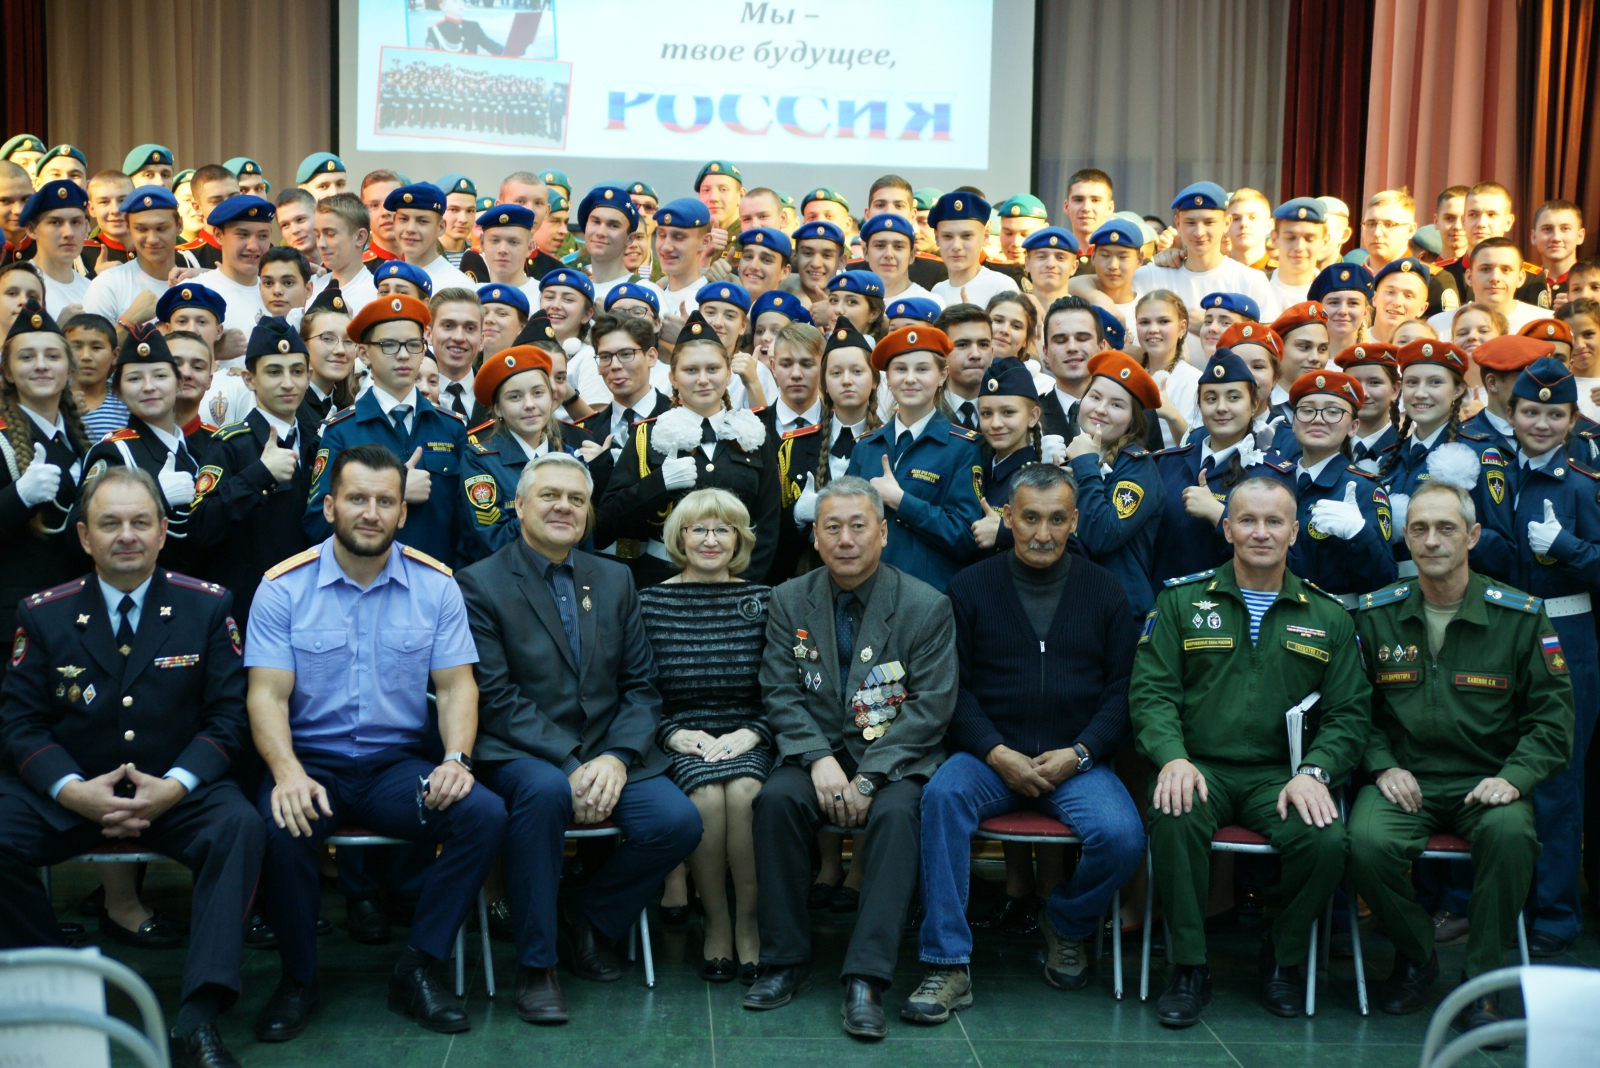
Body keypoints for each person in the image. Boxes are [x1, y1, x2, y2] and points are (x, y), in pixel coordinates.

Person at [0, 464, 263, 1068]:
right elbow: (20, 726)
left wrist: (175, 786)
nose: (127, 535)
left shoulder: (207, 606)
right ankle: (67, 989)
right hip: (74, 792)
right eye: (110, 523)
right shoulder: (43, 614)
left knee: (240, 828)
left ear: (163, 532)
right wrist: (71, 791)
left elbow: (228, 718)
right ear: (84, 536)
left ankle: (199, 1018)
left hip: (175, 791)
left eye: (141, 522)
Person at [246, 443, 503, 1042]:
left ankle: (418, 968)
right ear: (329, 506)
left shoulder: (436, 585)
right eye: (357, 499)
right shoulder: (283, 587)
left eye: (386, 501)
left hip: (395, 768)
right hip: (312, 765)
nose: (371, 512)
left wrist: (456, 760)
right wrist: (287, 773)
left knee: (483, 814)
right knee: (278, 826)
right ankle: (298, 978)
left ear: (402, 513)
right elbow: (266, 696)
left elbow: (457, 686)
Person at [455, 452, 701, 1025]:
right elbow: (496, 697)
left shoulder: (614, 578)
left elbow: (641, 685)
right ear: (518, 505)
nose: (563, 507)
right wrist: (570, 764)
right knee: (544, 796)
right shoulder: (479, 583)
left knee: (677, 823)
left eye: (576, 499)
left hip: (609, 750)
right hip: (524, 753)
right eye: (550, 496)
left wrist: (616, 757)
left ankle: (587, 917)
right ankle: (537, 966)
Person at [905, 462, 1143, 1021]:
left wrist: (1081, 753)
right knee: (940, 798)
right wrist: (995, 752)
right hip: (988, 758)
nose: (1042, 533)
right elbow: (951, 688)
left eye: (1057, 519)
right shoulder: (969, 587)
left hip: (1076, 760)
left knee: (1123, 836)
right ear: (1007, 516)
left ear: (1075, 521)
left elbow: (1123, 691)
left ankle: (1065, 922)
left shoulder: (1104, 590)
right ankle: (947, 962)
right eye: (1030, 518)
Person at [1131, 475, 1370, 1025]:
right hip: (1198, 766)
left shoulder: (1329, 616)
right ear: (1228, 529)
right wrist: (1172, 757)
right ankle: (1188, 966)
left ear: (1294, 532)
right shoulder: (1181, 601)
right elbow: (1152, 693)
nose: (1260, 532)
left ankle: (1283, 957)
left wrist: (1316, 771)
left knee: (1325, 840)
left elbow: (1349, 713)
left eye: (1274, 522)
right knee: (1174, 814)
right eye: (1247, 520)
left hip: (1284, 776)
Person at [1348, 480, 1573, 1033]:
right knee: (1363, 843)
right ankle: (1417, 956)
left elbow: (1552, 720)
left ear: (1471, 536)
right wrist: (1382, 765)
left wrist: (1514, 777)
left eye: (1446, 528)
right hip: (1406, 781)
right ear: (1406, 538)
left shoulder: (1520, 617)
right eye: (1420, 529)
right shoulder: (1377, 615)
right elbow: (1354, 711)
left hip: (1488, 782)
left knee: (1511, 837)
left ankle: (1483, 982)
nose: (1432, 541)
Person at [743, 476, 957, 1041]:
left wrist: (869, 778)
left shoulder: (926, 605)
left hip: (896, 758)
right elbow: (779, 691)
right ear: (815, 537)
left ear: (883, 533)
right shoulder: (790, 598)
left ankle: (866, 976)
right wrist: (817, 758)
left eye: (858, 526)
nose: (845, 539)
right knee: (775, 802)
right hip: (815, 752)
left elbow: (931, 707)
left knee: (899, 815)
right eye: (832, 527)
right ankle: (784, 960)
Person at [637, 488, 773, 983]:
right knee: (705, 797)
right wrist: (672, 734)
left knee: (745, 791)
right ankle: (716, 922)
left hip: (749, 734)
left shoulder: (766, 600)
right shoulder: (648, 603)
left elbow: (783, 687)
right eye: (698, 529)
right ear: (680, 537)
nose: (710, 540)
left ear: (739, 539)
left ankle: (748, 923)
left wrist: (755, 732)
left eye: (723, 529)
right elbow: (637, 689)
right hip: (679, 737)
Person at [1496, 356, 1599, 957]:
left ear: (1571, 421)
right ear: (1510, 414)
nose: (1541, 423)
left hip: (1566, 637)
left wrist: (1569, 548)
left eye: (1554, 414)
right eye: (1530, 412)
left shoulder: (1583, 484)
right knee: (1505, 771)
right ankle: (1508, 904)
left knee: (1559, 779)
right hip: (1502, 636)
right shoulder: (1494, 477)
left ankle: (1556, 916)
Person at [596, 309, 780, 584]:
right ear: (673, 377)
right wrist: (659, 484)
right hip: (663, 580)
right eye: (691, 370)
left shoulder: (753, 435)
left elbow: (768, 524)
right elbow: (606, 524)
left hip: (739, 582)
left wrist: (744, 583)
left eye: (713, 369)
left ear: (728, 373)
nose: (703, 380)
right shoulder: (647, 435)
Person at [303, 294, 474, 568]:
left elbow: (468, 527)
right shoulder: (340, 431)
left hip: (436, 582)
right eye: (389, 345)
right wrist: (393, 492)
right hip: (364, 581)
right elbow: (317, 523)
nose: (404, 355)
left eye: (413, 345)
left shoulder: (451, 427)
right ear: (363, 353)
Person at [187, 317, 319, 629]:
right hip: (247, 609)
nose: (287, 383)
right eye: (273, 372)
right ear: (249, 379)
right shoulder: (230, 444)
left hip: (310, 607)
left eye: (296, 371)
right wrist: (259, 474)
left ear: (309, 376)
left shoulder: (320, 442)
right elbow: (201, 527)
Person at [845, 325, 983, 591]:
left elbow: (966, 537)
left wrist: (901, 502)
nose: (910, 379)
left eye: (922, 369)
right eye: (900, 369)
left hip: (929, 598)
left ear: (942, 375)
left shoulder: (962, 447)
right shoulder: (866, 447)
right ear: (887, 378)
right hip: (867, 593)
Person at [0, 300, 93, 665]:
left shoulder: (82, 443)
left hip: (79, 617)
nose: (41, 365)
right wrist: (19, 497)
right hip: (14, 627)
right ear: (8, 372)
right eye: (27, 357)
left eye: (53, 356)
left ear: (69, 369)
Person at [1150, 350, 1293, 583]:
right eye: (1211, 399)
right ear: (1199, 405)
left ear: (1254, 404)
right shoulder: (1166, 464)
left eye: (1234, 397)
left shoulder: (1273, 474)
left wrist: (1219, 514)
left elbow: (1286, 557)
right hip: (1167, 600)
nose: (1221, 407)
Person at [77, 326, 204, 570]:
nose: (148, 387)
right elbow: (77, 536)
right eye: (134, 378)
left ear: (179, 384)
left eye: (160, 376)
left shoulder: (201, 449)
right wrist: (157, 496)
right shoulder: (114, 452)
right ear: (119, 392)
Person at [1063, 352, 1167, 616]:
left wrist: (1085, 465)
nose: (1100, 409)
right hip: (1072, 604)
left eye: (1117, 405)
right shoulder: (1070, 456)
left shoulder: (1138, 466)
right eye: (1095, 397)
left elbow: (1103, 535)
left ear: (1133, 419)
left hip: (1120, 612)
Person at [1280, 370, 1398, 599]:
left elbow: (1384, 582)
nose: (1318, 419)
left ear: (1353, 427)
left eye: (1333, 412)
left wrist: (1359, 534)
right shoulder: (1275, 479)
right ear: (1293, 422)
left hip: (1334, 614)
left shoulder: (1363, 489)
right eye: (1307, 410)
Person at [459, 343, 578, 554]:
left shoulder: (568, 458)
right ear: (498, 409)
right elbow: (494, 537)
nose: (529, 404)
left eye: (538, 393)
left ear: (551, 397)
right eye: (515, 396)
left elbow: (582, 538)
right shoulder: (480, 461)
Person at [1134, 183, 1281, 331]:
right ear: (1178, 224)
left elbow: (1268, 341)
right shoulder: (1150, 276)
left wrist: (1204, 328)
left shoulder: (1251, 281)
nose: (1199, 232)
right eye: (1190, 223)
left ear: (1226, 223)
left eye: (1209, 222)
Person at [81, 186, 184, 332]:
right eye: (141, 229)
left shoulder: (196, 282)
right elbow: (90, 344)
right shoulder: (108, 285)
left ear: (179, 226)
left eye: (161, 229)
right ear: (128, 227)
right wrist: (129, 321)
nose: (152, 239)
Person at [968, 356, 1041, 556]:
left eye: (1008, 412)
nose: (996, 423)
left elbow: (1067, 541)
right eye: (986, 413)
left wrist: (1003, 532)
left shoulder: (1040, 479)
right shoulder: (980, 468)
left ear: (1033, 416)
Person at [385, 183, 475, 292]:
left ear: (441, 227)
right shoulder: (388, 278)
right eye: (404, 219)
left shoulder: (458, 285)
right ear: (394, 221)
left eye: (422, 221)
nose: (410, 229)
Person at [928, 192, 1012, 309]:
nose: (956, 246)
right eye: (947, 236)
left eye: (966, 236)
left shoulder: (1001, 287)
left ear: (985, 235)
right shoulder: (937, 291)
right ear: (937, 238)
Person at [20, 180, 91, 316]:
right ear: (32, 230)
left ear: (86, 227)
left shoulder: (92, 289)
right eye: (55, 222)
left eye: (76, 222)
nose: (68, 233)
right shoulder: (18, 287)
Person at [1334, 341, 1403, 472]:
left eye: (1375, 383)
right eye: (1354, 384)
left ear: (1395, 390)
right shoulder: (1327, 448)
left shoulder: (1405, 453)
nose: (1364, 393)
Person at [297, 286, 358, 423]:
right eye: (327, 339)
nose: (340, 350)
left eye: (348, 341)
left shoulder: (350, 409)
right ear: (303, 345)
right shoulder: (291, 407)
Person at [311, 194, 378, 315]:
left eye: (330, 234)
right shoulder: (311, 286)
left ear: (360, 237)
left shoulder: (375, 295)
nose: (321, 244)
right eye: (317, 235)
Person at [1309, 263, 1374, 357]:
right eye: (1334, 303)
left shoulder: (1376, 363)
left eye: (1353, 303)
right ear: (1319, 309)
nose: (1343, 311)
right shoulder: (1304, 361)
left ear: (1365, 312)